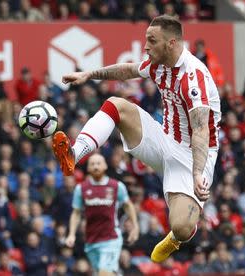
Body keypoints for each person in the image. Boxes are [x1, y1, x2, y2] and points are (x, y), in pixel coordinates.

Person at [53, 15, 221, 263]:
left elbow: (201, 131)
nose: (146, 46)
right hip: (164, 139)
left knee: (182, 228)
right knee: (116, 105)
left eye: (152, 41)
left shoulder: (194, 78)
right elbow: (128, 69)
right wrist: (89, 74)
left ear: (171, 43)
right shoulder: (159, 65)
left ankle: (177, 236)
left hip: (195, 155)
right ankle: (73, 155)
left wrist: (197, 173)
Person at [65, 153, 139, 275]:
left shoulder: (116, 186)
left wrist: (135, 226)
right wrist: (71, 234)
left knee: (103, 273)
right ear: (88, 168)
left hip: (111, 238)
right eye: (92, 164)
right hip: (91, 240)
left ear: (105, 166)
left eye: (99, 163)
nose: (96, 166)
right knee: (101, 272)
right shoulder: (81, 188)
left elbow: (128, 205)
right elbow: (76, 213)